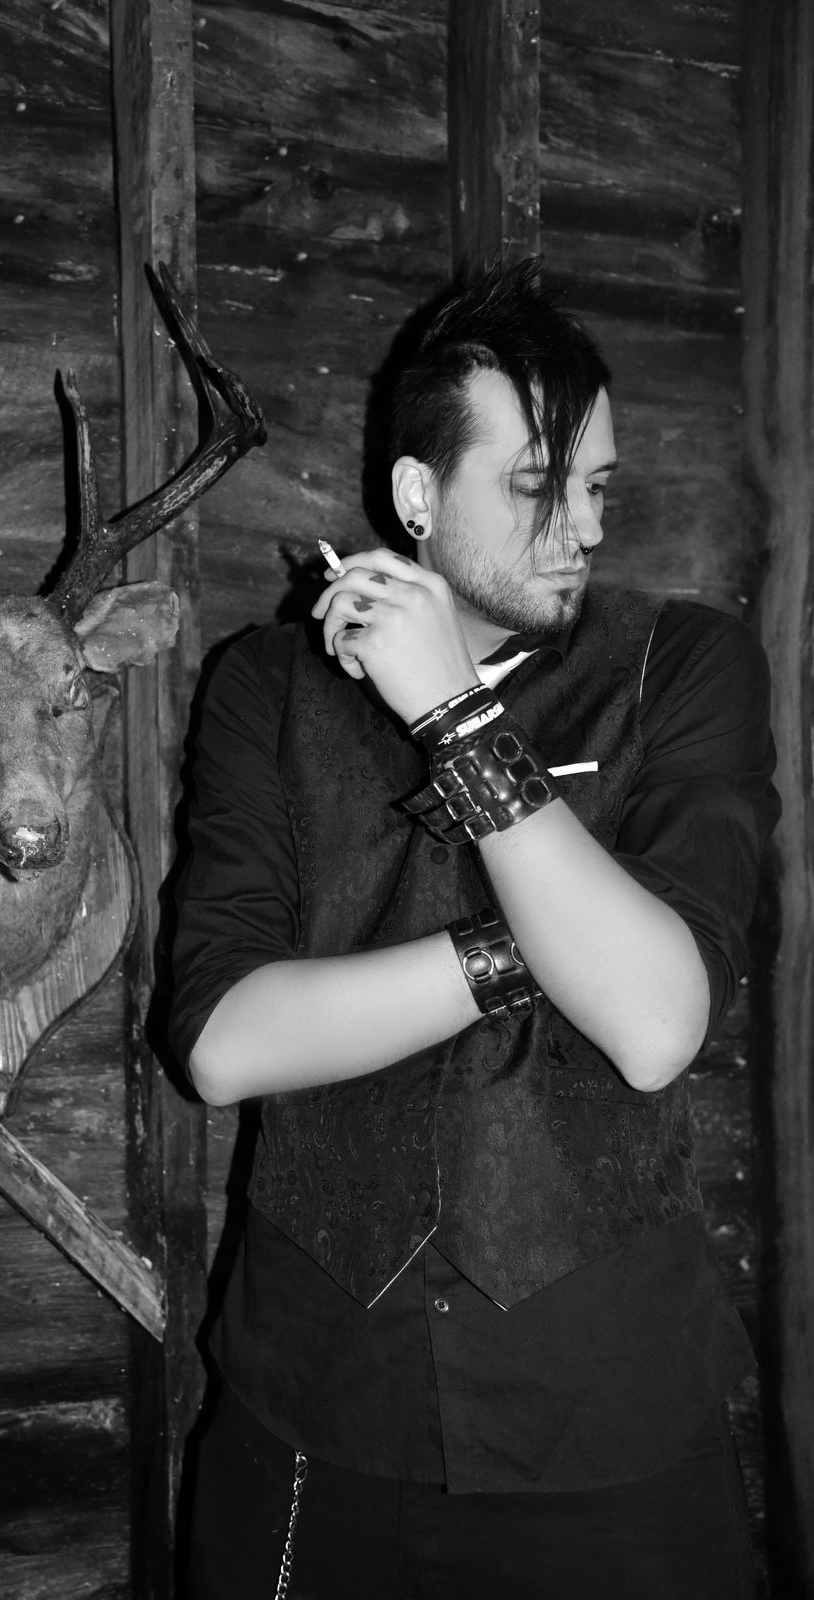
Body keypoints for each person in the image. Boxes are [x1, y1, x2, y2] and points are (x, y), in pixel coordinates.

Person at [169, 257, 778, 1600]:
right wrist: (536, 954)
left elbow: (655, 1020)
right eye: (538, 487)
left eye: (598, 488)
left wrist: (457, 718)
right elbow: (222, 1043)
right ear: (416, 495)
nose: (583, 529)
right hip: (320, 1399)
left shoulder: (684, 667)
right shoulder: (263, 686)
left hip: (605, 1402)